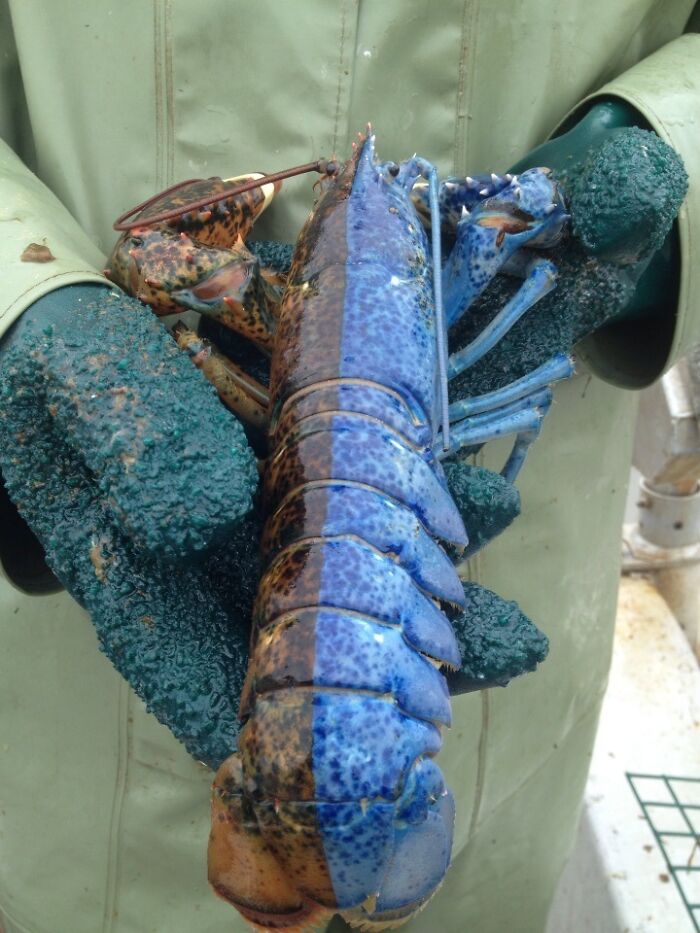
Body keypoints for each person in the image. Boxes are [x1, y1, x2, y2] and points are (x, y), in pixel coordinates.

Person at [0, 3, 698, 931]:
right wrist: (20, 293)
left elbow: (165, 268)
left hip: (456, 722)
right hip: (97, 648)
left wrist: (663, 162)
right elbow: (522, 369)